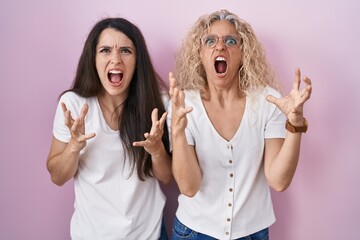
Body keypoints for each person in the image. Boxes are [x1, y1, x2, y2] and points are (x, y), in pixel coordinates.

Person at [168, 9, 312, 240]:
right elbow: (189, 187)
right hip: (193, 233)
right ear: (200, 53)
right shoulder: (183, 104)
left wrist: (294, 125)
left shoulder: (268, 101)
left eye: (231, 41)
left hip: (253, 233)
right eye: (210, 41)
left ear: (243, 53)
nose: (220, 47)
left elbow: (278, 180)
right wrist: (177, 132)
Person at [46, 17, 172, 240]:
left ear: (137, 60)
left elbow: (165, 176)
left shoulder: (157, 103)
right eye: (105, 50)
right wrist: (74, 147)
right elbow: (57, 176)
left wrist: (156, 150)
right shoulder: (73, 104)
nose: (115, 59)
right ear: (93, 58)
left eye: (125, 51)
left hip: (149, 233)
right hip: (92, 234)